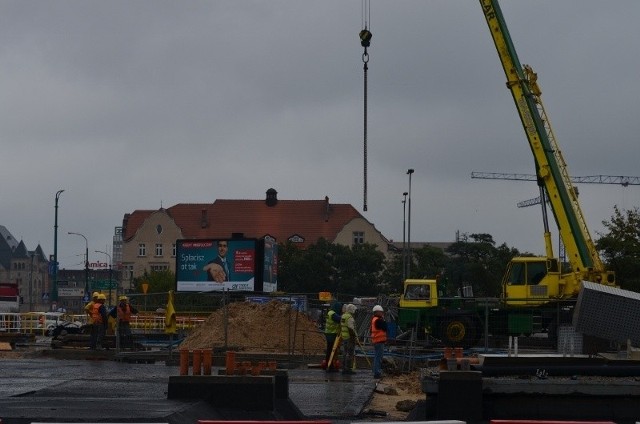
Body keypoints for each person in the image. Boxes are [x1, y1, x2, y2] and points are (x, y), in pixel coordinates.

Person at [324, 301, 342, 371]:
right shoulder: (333, 314)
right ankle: (330, 366)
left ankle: (328, 364)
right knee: (332, 351)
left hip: (329, 333)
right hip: (332, 334)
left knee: (329, 350)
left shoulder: (330, 312)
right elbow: (340, 320)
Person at [371, 304, 388, 379]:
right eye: (381, 312)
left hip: (377, 341)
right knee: (378, 358)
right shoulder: (378, 320)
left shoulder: (374, 319)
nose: (382, 313)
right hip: (379, 341)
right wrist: (383, 320)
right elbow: (385, 327)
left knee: (377, 357)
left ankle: (376, 372)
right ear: (377, 312)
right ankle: (377, 373)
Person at [340, 303, 357, 375]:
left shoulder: (343, 316)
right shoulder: (349, 317)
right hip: (350, 337)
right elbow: (351, 328)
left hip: (344, 336)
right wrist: (354, 335)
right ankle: (348, 369)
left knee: (345, 352)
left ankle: (344, 367)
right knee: (350, 353)